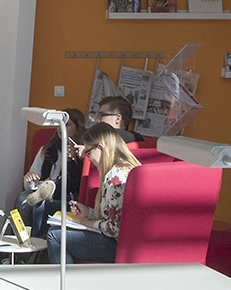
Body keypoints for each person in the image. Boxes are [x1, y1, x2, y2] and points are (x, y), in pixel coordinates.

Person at [46, 123, 141, 264]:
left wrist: (88, 223)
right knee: (56, 230)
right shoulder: (124, 169)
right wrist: (89, 213)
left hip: (117, 246)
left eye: (88, 152)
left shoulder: (115, 178)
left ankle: (65, 278)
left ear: (100, 148)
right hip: (126, 243)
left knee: (54, 236)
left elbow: (114, 229)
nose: (88, 158)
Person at [18, 108, 84, 237]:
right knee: (22, 199)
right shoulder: (47, 150)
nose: (61, 128)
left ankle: (36, 241)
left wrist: (72, 161)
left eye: (67, 125)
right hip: (40, 189)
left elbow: (76, 184)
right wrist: (30, 180)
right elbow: (30, 184)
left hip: (66, 195)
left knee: (40, 204)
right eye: (59, 124)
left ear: (77, 128)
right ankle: (22, 239)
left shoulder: (81, 154)